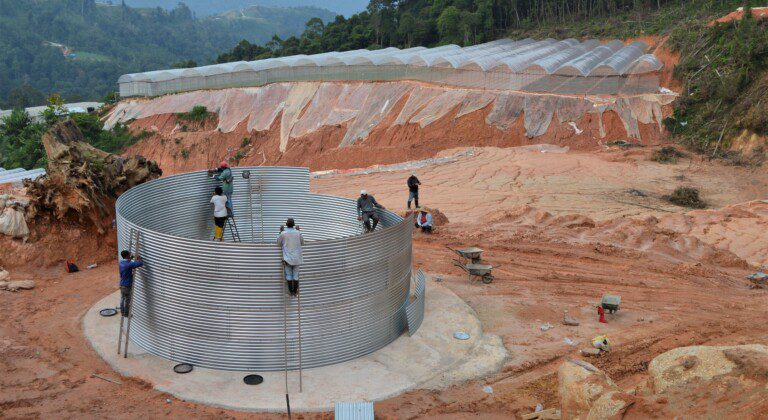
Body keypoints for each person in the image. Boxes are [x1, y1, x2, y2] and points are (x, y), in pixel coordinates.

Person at [277, 218, 304, 296]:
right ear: (294, 225)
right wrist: (299, 231)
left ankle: (290, 292)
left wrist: (280, 231)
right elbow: (302, 243)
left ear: (286, 224)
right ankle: (295, 292)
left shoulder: (283, 233)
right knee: (295, 275)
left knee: (288, 275)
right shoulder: (298, 233)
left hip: (287, 259)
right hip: (297, 258)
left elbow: (278, 243)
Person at [119, 250, 144, 317]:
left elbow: (128, 261)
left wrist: (131, 257)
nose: (130, 255)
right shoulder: (129, 264)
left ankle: (122, 312)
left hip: (122, 284)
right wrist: (139, 258)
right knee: (127, 300)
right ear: (127, 256)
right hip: (127, 285)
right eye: (129, 255)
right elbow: (140, 263)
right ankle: (126, 313)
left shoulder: (121, 262)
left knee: (123, 298)